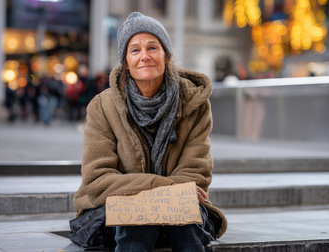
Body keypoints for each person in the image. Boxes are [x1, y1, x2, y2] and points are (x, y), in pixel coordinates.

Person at [71, 12, 227, 251]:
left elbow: (196, 174)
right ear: (125, 63)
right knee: (136, 221)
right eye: (135, 50)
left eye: (152, 47)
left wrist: (164, 194)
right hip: (113, 211)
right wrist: (162, 188)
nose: (144, 56)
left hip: (178, 209)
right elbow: (98, 180)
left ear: (166, 55)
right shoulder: (102, 106)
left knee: (183, 219)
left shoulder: (194, 103)